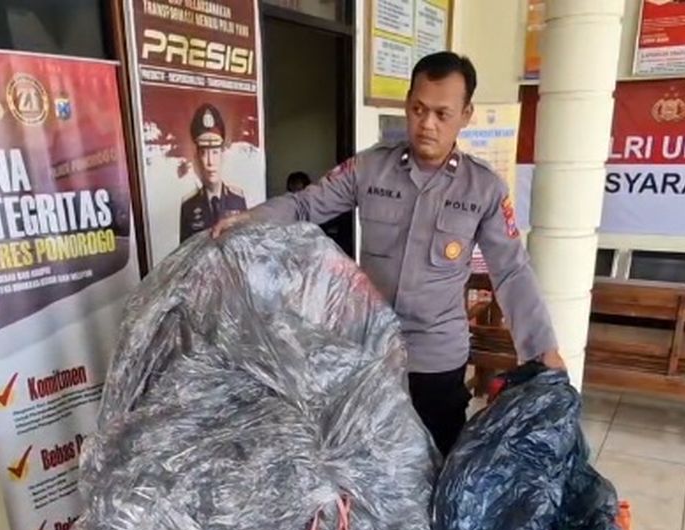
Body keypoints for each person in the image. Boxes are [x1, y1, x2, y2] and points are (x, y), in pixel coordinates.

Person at [213, 52, 562, 456]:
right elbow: (306, 205)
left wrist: (541, 348)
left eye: (442, 114)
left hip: (435, 360)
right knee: (366, 461)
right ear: (407, 104)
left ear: (465, 115)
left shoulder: (483, 188)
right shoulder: (370, 168)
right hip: (369, 351)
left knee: (434, 463)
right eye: (418, 109)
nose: (427, 124)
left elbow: (511, 272)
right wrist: (254, 218)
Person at [180, 103, 248, 242]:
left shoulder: (237, 199)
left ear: (223, 155)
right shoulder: (189, 206)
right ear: (197, 158)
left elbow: (245, 243)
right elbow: (186, 250)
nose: (210, 162)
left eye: (215, 152)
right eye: (204, 153)